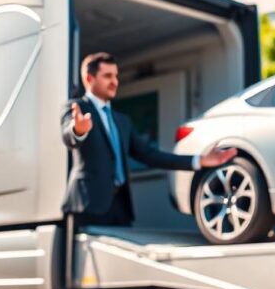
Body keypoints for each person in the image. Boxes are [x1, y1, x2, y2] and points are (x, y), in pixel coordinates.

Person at [61, 52, 237, 227]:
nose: (115, 82)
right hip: (87, 206)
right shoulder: (77, 107)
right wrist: (78, 130)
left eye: (116, 76)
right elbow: (69, 136)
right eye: (107, 76)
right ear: (89, 78)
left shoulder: (122, 120)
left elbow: (150, 155)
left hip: (120, 207)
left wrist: (200, 160)